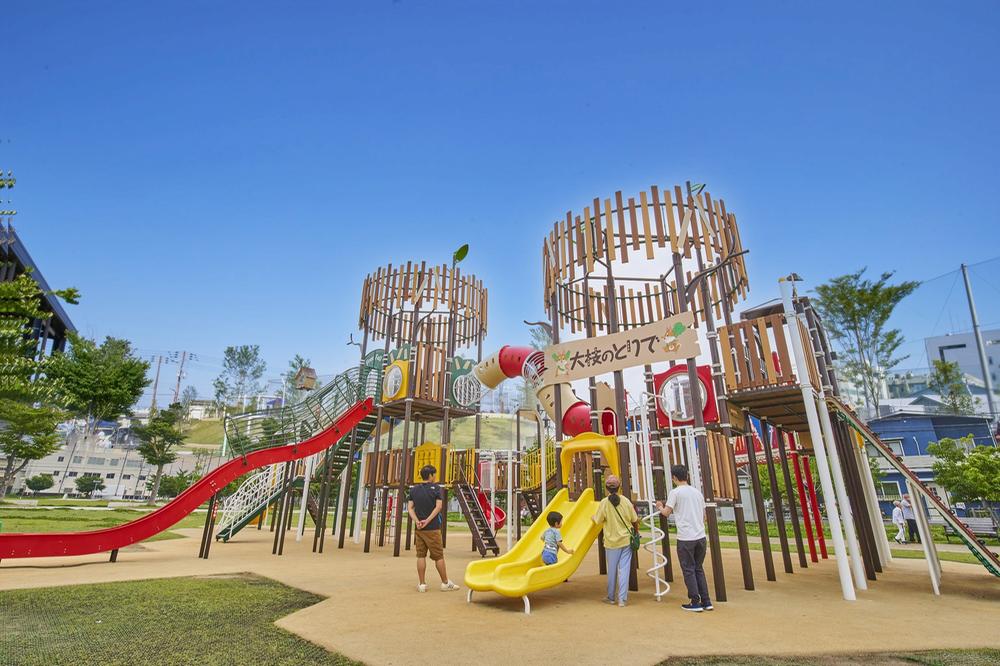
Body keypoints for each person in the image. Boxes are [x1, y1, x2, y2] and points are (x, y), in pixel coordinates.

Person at [656, 464, 712, 612]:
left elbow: (666, 513)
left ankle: (695, 601)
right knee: (698, 568)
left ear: (674, 477)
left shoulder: (675, 492)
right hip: (701, 536)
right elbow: (704, 517)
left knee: (688, 569)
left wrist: (660, 506)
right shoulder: (697, 492)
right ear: (687, 475)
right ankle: (706, 600)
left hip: (686, 537)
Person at [407, 464, 460, 593]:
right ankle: (445, 583)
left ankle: (422, 584)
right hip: (433, 528)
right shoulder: (436, 488)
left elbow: (410, 508)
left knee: (420, 556)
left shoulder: (414, 490)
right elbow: (438, 507)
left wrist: (417, 521)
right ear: (430, 475)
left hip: (419, 529)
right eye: (434, 474)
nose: (435, 476)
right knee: (439, 556)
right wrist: (427, 521)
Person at [592, 474, 639, 607]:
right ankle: (622, 599)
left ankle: (611, 597)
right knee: (624, 569)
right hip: (626, 540)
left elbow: (598, 520)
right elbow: (634, 519)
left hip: (611, 542)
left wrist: (592, 517)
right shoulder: (626, 501)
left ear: (606, 488)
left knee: (612, 571)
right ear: (619, 487)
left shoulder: (604, 503)